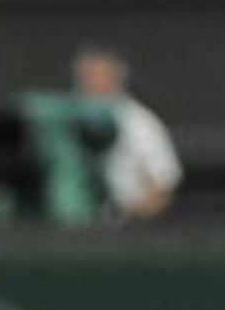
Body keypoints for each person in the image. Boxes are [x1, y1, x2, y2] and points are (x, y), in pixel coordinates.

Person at [73, 46, 183, 221]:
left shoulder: (139, 122)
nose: (90, 81)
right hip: (69, 225)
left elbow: (163, 182)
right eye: (85, 75)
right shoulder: (64, 118)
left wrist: (130, 214)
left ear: (116, 76)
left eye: (97, 74)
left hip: (121, 226)